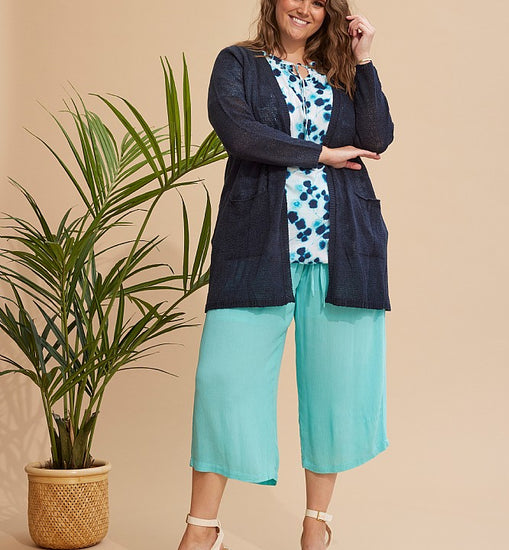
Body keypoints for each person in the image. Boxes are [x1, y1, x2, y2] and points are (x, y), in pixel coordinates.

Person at [178, 1, 394, 549]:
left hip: (342, 251)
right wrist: (322, 153)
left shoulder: (342, 72)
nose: (304, 8)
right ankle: (202, 530)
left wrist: (363, 59)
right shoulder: (237, 63)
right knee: (224, 383)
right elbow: (240, 134)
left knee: (336, 391)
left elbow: (376, 138)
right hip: (257, 248)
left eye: (319, 1)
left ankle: (316, 525)